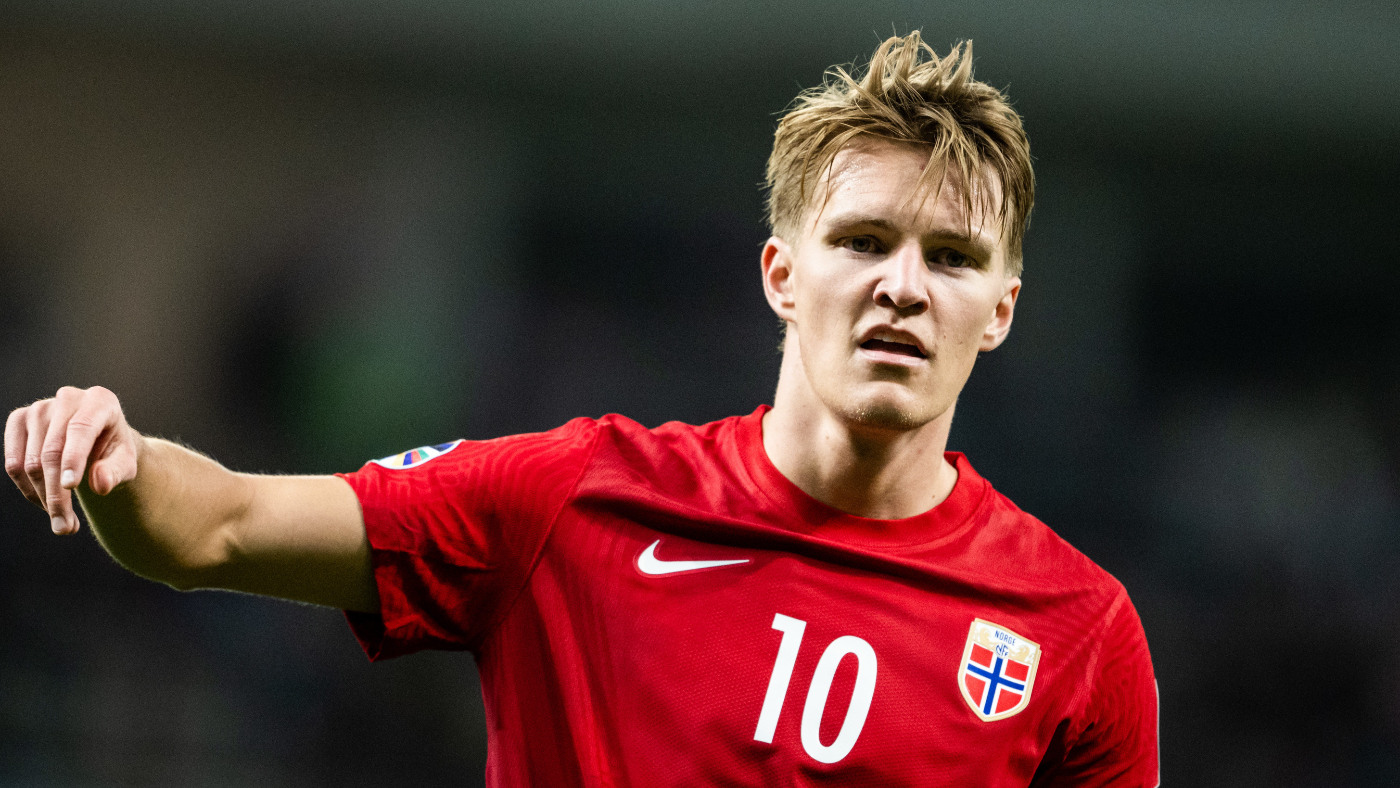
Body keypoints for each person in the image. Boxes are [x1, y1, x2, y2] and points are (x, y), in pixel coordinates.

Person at [4, 32, 1158, 787]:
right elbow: (216, 526)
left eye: (950, 257)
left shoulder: (1075, 633)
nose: (902, 285)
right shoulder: (573, 499)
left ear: (999, 309)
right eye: (862, 240)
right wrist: (121, 460)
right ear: (781, 274)